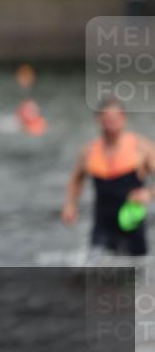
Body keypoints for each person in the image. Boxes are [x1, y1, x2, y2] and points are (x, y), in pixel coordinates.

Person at [62, 97, 154, 256]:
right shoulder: (89, 152)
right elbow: (76, 179)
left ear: (124, 118)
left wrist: (149, 193)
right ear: (98, 120)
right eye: (106, 120)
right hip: (102, 225)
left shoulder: (142, 147)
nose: (110, 125)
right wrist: (70, 205)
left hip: (131, 223)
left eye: (115, 120)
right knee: (94, 270)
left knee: (135, 271)